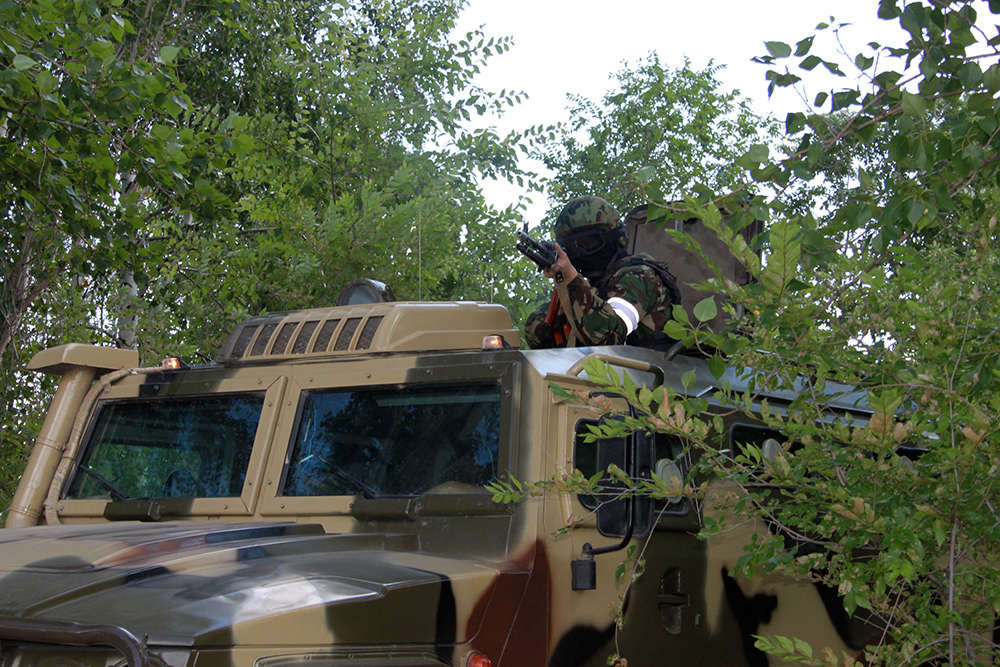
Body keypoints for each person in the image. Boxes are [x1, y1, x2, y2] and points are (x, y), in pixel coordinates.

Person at [524, 195, 681, 349]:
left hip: (645, 373)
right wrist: (565, 288)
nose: (581, 252)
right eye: (573, 246)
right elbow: (535, 335)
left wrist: (571, 278)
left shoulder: (639, 275)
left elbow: (608, 337)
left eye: (589, 243)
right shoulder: (592, 286)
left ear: (613, 239)